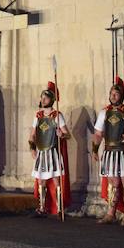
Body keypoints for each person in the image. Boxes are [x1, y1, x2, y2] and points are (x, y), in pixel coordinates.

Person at [91, 77, 124, 224]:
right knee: (113, 184)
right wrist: (95, 149)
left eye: (116, 94)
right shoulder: (104, 113)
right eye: (111, 94)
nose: (113, 96)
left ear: (121, 96)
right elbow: (98, 134)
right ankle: (111, 213)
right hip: (110, 152)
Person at [28, 81, 71, 219]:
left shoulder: (57, 115)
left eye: (45, 97)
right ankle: (42, 208)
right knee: (41, 181)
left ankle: (59, 209)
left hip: (52, 152)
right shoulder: (38, 116)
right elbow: (32, 135)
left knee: (56, 180)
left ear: (51, 99)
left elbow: (68, 134)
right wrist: (32, 148)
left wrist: (62, 134)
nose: (43, 99)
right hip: (41, 151)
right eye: (42, 97)